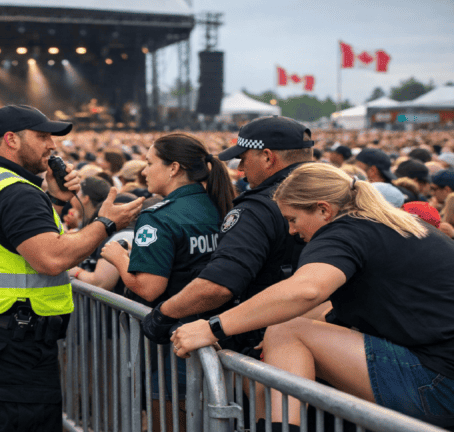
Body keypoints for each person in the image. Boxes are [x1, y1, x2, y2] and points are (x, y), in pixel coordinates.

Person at [171, 163, 454, 431]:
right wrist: (265, 337)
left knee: (287, 331)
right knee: (282, 333)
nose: (292, 231)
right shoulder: (389, 225)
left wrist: (212, 328)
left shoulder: (345, 231)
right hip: (440, 375)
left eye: (293, 219)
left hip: (439, 384)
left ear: (323, 210)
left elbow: (306, 291)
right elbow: (326, 305)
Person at [0, 104, 144, 432]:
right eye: (42, 136)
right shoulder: (16, 192)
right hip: (11, 343)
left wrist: (57, 201)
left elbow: (7, 238)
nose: (53, 145)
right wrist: (107, 222)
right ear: (11, 140)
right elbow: (51, 259)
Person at [141, 116, 313, 359]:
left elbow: (218, 285)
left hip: (267, 340)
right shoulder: (335, 194)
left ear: (267, 157)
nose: (240, 169)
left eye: (243, 159)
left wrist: (163, 315)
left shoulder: (258, 208)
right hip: (324, 335)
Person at [101, 132, 235, 430]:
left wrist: (119, 258)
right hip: (222, 331)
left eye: (149, 163)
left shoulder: (159, 216)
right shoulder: (222, 205)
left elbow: (150, 288)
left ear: (173, 168)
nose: (144, 171)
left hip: (176, 341)